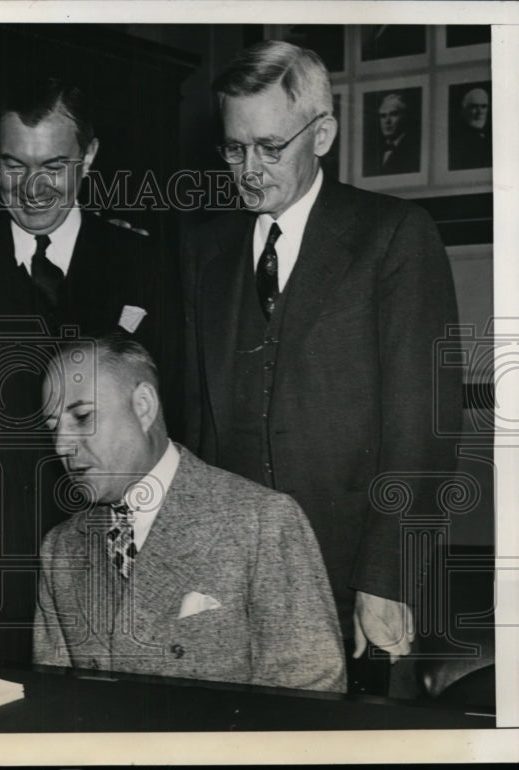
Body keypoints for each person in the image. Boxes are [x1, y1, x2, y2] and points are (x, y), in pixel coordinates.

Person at [182, 41, 462, 694]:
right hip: (230, 586)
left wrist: (387, 580)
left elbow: (423, 428)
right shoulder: (203, 251)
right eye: (234, 148)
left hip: (354, 582)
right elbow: (197, 430)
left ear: (324, 133)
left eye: (270, 147)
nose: (249, 170)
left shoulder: (392, 237)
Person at [0, 75, 185, 666]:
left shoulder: (145, 264)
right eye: (14, 165)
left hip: (115, 559)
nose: (34, 188)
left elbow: (176, 425)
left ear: (89, 157)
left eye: (55, 165)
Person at [33, 335, 346, 693]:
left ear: (144, 406)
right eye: (53, 426)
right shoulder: (60, 548)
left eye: (82, 416)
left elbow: (309, 693)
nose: (61, 445)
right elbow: (55, 703)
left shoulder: (261, 522)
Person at [365, 92, 421, 176]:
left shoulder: (415, 150)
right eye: (383, 116)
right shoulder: (374, 153)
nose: (387, 121)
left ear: (405, 117)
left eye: (393, 114)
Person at [449, 86, 491, 170]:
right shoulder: (457, 138)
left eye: (484, 106)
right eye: (474, 107)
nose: (480, 112)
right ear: (464, 110)